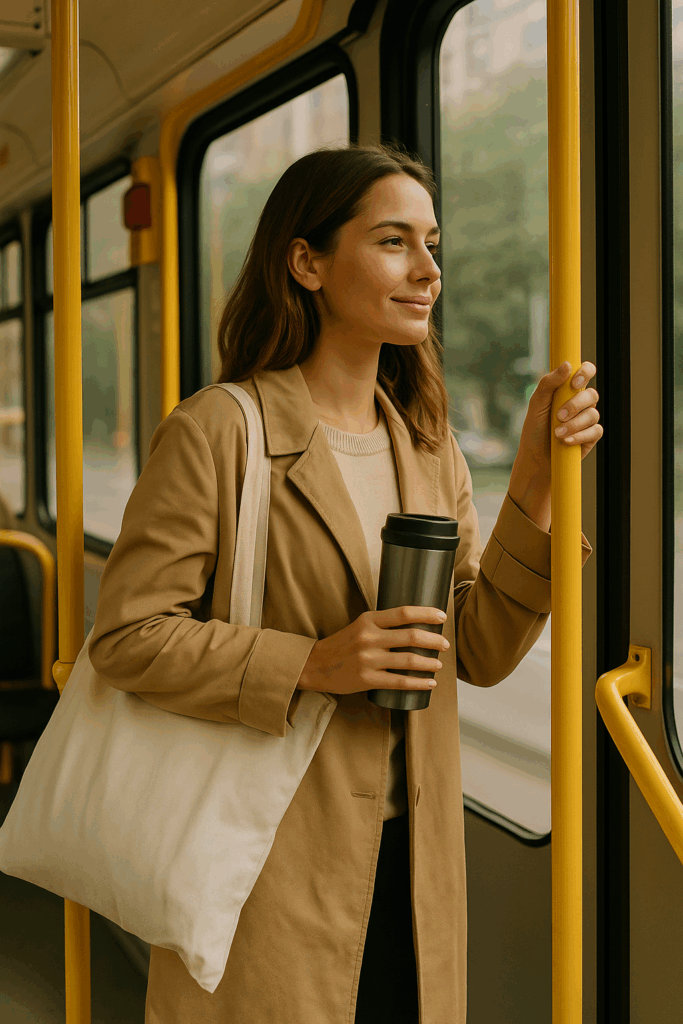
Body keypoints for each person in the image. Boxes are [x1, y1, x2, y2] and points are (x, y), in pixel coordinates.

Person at [88, 141, 601, 1024]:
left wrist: (531, 490)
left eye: (432, 244)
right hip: (270, 857)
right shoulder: (219, 431)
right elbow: (129, 636)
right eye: (394, 241)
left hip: (414, 865)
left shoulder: (430, 446)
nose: (427, 270)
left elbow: (472, 651)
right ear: (307, 262)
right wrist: (313, 663)